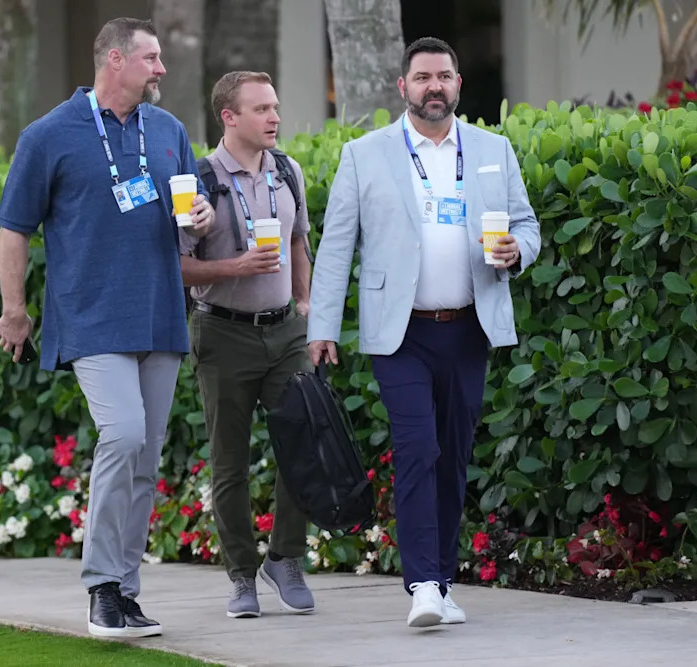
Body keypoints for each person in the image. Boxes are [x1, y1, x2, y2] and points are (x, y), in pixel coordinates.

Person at [307, 37, 539, 629]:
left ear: (458, 84)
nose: (434, 86)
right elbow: (336, 247)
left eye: (444, 76)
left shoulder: (493, 148)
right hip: (400, 333)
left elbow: (526, 224)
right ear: (402, 87)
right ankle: (423, 586)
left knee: (453, 456)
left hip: (468, 329)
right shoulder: (365, 155)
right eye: (422, 77)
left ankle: (443, 577)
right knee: (417, 448)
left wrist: (519, 251)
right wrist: (323, 326)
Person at [0, 17, 215, 639]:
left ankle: (125, 591)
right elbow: (14, 228)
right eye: (151, 58)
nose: (161, 69)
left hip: (162, 315)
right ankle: (100, 588)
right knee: (121, 436)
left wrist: (200, 214)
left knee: (145, 459)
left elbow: (195, 212)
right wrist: (15, 309)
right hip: (90, 316)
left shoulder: (168, 129)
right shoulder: (49, 134)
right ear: (115, 60)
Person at [179, 71, 315, 619]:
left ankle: (284, 558)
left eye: (275, 107)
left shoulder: (288, 170)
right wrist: (232, 266)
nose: (274, 118)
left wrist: (305, 306)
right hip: (222, 331)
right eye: (261, 110)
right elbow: (176, 265)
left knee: (302, 448)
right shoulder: (199, 179)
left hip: (285, 331)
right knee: (230, 463)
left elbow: (300, 239)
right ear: (229, 117)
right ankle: (241, 576)